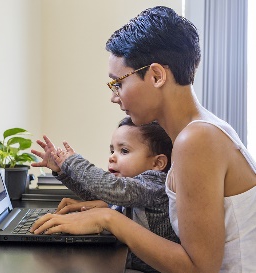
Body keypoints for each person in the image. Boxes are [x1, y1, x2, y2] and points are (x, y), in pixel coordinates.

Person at [30, 6, 256, 273]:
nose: (115, 96)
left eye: (119, 83)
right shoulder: (200, 132)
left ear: (157, 76)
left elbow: (199, 269)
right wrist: (105, 207)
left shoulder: (197, 140)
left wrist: (108, 218)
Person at [32, 116, 178, 272]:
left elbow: (113, 189)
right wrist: (62, 171)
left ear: (157, 163)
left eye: (124, 151)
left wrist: (72, 162)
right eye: (112, 150)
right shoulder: (133, 188)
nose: (112, 157)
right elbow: (100, 195)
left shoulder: (155, 184)